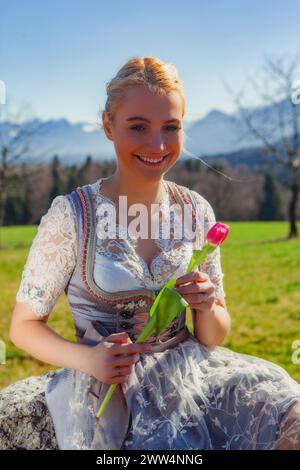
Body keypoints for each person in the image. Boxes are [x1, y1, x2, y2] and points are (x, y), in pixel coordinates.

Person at [10, 56, 300, 450]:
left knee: (291, 414)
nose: (157, 145)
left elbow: (212, 335)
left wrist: (207, 303)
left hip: (191, 375)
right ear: (108, 125)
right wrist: (89, 360)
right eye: (138, 127)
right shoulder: (72, 215)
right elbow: (23, 327)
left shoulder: (195, 210)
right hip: (104, 390)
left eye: (171, 128)